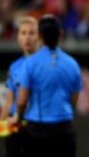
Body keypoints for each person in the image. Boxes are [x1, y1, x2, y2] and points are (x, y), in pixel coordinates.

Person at [10, 15, 83, 157]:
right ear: (60, 34)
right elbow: (74, 100)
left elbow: (21, 101)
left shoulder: (30, 63)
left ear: (39, 35)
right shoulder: (72, 64)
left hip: (36, 131)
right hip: (64, 129)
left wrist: (17, 117)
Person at [0, 16, 39, 157]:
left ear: (38, 37)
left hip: (37, 127)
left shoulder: (46, 63)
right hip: (14, 128)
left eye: (31, 33)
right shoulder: (15, 66)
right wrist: (1, 125)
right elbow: (9, 101)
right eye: (23, 33)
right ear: (18, 37)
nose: (27, 38)